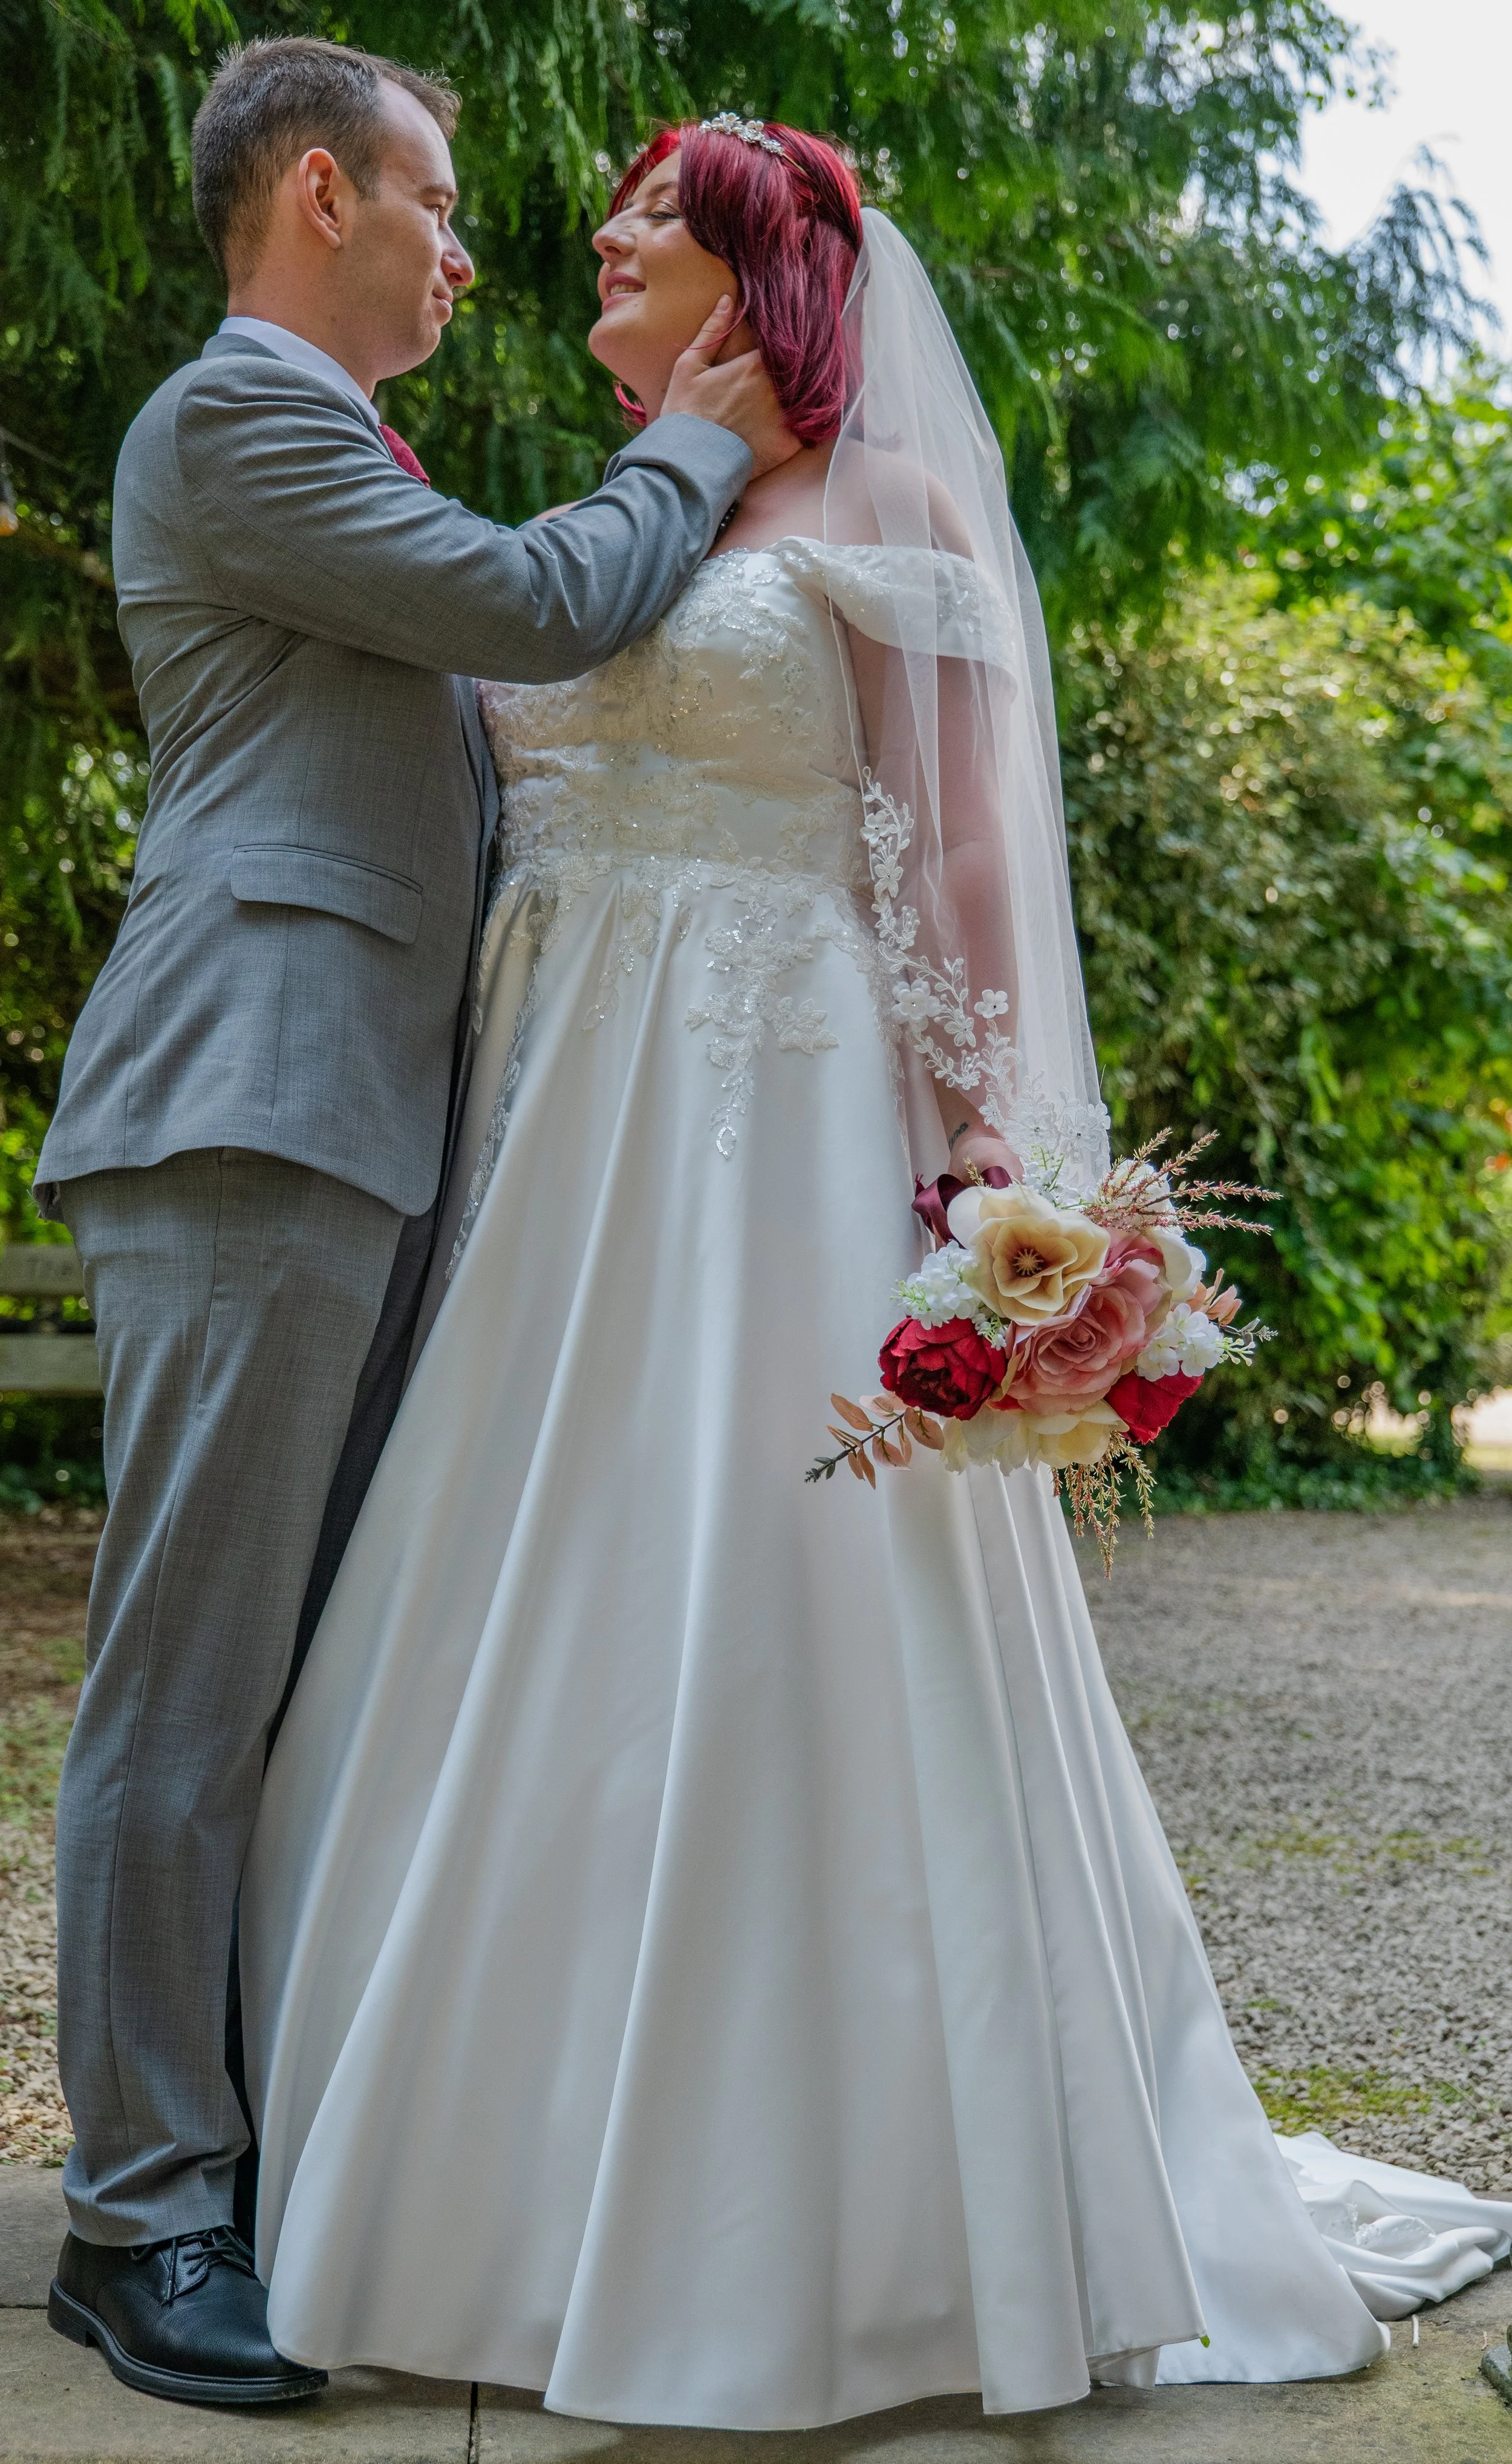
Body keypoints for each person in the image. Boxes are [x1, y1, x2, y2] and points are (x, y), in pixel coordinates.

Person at [239, 118, 1512, 2427]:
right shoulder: (603, 527)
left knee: (799, 1595)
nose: (597, 241)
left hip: (782, 1112)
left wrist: (1000, 1209)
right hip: (562, 1148)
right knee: (537, 1586)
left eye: (648, 220)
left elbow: (965, 891)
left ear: (755, 272)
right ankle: (486, 2182)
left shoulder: (885, 522)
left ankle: (879, 2219)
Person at [35, 40, 795, 2408]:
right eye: (445, 203)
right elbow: (544, 599)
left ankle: (246, 2157)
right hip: (250, 1103)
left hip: (359, 1128)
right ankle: (138, 2218)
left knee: (290, 1681)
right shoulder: (234, 424)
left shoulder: (333, 446)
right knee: (184, 1684)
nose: (473, 248)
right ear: (324, 194)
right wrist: (715, 436)